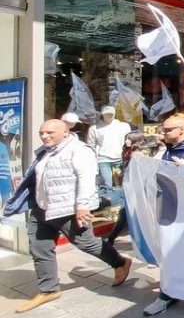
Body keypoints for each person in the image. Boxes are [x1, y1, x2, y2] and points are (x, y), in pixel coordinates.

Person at [13, 120, 132, 313]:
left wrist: (83, 206)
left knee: (87, 243)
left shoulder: (79, 150)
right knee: (39, 246)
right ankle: (48, 289)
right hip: (43, 207)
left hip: (68, 208)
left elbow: (86, 178)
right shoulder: (46, 150)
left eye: (50, 132)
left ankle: (120, 262)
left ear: (66, 132)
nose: (44, 136)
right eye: (41, 132)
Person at [144, 115, 184, 316]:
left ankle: (167, 294)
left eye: (167, 130)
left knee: (175, 253)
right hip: (170, 208)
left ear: (181, 130)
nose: (163, 133)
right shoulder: (170, 148)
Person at [106, 131, 151, 245]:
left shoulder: (139, 154)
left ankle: (112, 240)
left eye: (129, 139)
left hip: (138, 190)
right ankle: (112, 239)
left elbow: (141, 173)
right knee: (125, 214)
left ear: (136, 140)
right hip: (132, 188)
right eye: (126, 138)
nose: (126, 141)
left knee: (127, 214)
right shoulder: (130, 152)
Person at [86, 105, 131, 189]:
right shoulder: (94, 128)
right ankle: (110, 200)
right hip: (103, 159)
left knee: (124, 183)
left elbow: (129, 142)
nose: (108, 116)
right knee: (107, 184)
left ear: (114, 114)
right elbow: (91, 146)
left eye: (111, 114)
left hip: (121, 158)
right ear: (102, 115)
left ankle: (122, 201)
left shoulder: (124, 126)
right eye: (106, 114)